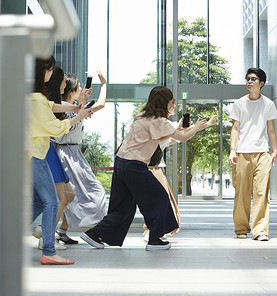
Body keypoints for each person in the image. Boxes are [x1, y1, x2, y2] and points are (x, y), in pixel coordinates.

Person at [80, 86, 216, 251]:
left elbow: (164, 134)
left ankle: (95, 234)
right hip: (134, 166)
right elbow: (183, 138)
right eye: (172, 101)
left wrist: (177, 128)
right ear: (167, 102)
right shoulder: (160, 121)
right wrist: (197, 127)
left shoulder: (142, 116)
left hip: (121, 163)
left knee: (123, 206)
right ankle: (155, 240)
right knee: (159, 197)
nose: (174, 104)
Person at [30, 56, 92, 265]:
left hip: (33, 154)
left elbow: (52, 106)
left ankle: (3, 239)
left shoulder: (33, 97)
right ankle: (48, 251)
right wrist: (77, 117)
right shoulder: (36, 99)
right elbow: (55, 129)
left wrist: (73, 108)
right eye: (51, 69)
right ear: (44, 71)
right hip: (35, 155)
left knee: (40, 201)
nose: (52, 73)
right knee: (52, 201)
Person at [54, 71, 108, 244]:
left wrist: (104, 85)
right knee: (77, 194)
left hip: (73, 153)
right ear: (71, 90)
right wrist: (80, 107)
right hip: (66, 153)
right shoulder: (61, 108)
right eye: (78, 87)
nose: (81, 89)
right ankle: (53, 232)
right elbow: (63, 131)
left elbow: (100, 104)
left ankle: (61, 230)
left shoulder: (76, 106)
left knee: (70, 195)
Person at [228, 67, 277, 242]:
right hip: (242, 153)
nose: (249, 81)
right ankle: (241, 228)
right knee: (241, 192)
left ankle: (260, 230)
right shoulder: (239, 103)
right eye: (248, 78)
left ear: (261, 83)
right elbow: (235, 128)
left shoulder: (269, 104)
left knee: (261, 193)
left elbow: (271, 130)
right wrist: (232, 150)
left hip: (262, 153)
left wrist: (275, 150)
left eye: (253, 79)